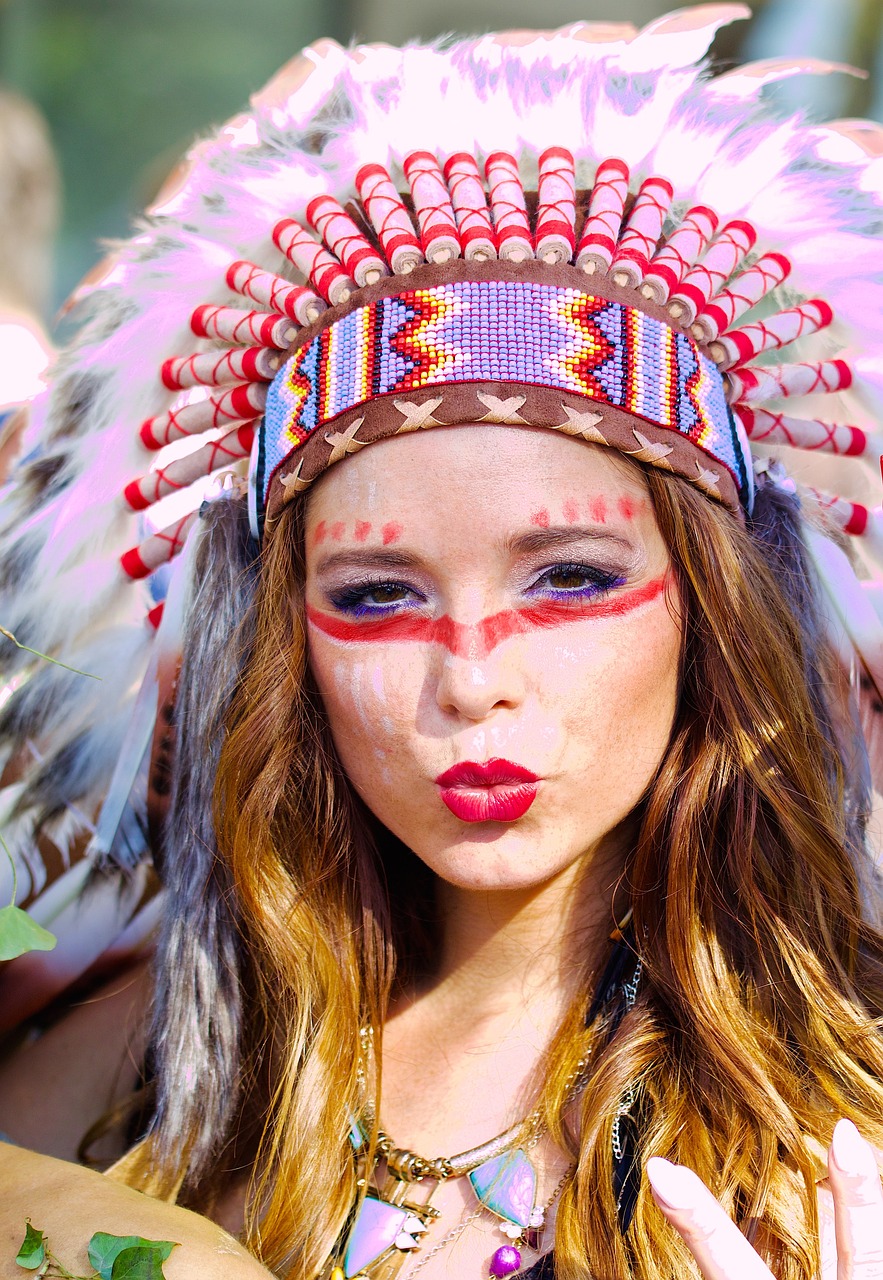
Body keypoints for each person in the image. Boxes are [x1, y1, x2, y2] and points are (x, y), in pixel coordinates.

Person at [1, 7, 883, 1279]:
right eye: (374, 596)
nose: (472, 680)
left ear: (711, 610)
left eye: (570, 576)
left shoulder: (828, 1135)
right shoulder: (172, 1047)